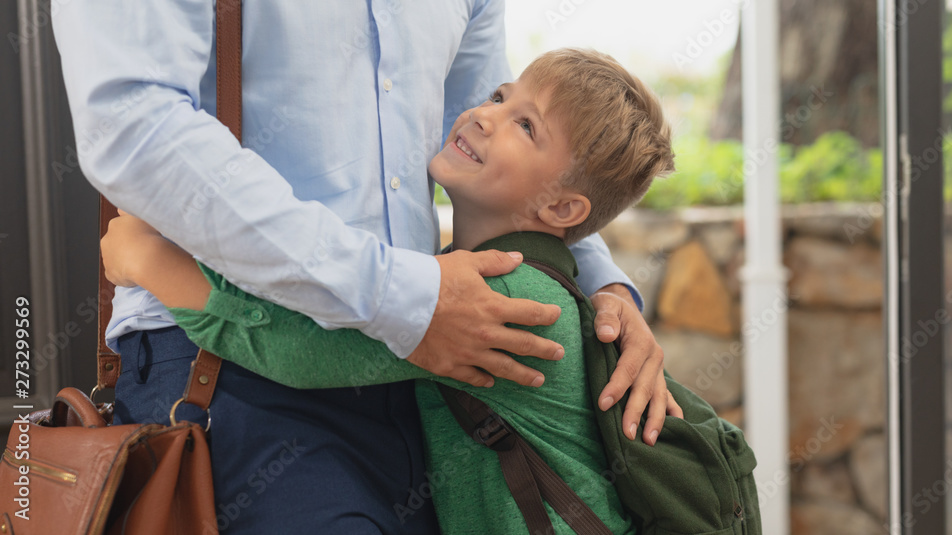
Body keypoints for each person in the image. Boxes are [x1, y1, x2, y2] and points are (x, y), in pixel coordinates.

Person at [54, 3, 672, 533]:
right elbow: (131, 121)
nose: (488, 114)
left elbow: (481, 118)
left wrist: (602, 284)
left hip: (425, 369)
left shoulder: (523, 296)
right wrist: (408, 297)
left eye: (520, 119)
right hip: (235, 371)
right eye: (500, 102)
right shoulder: (515, 292)